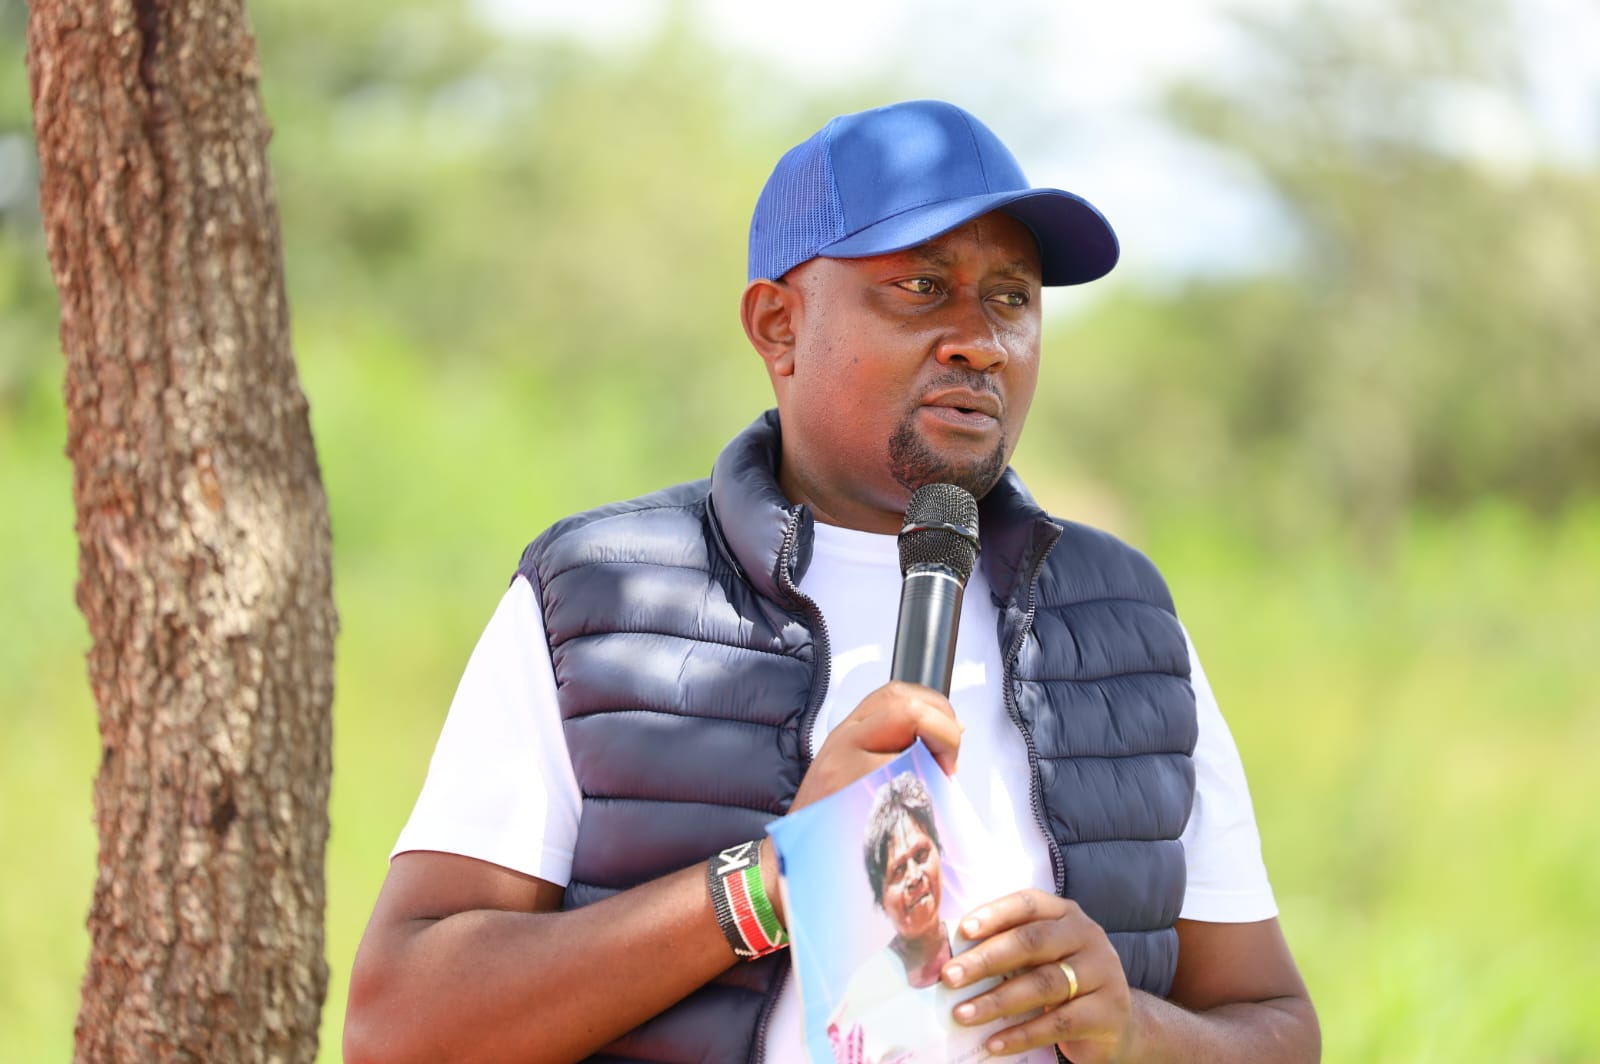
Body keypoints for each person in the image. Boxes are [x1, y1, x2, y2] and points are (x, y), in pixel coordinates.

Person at [345, 99, 1320, 1064]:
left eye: (1012, 298)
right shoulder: (599, 603)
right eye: (922, 287)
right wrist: (774, 878)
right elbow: (400, 1031)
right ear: (779, 326)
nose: (980, 340)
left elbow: (1272, 1024)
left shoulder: (1120, 622)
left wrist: (1133, 1029)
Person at [826, 773, 967, 1063]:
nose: (915, 876)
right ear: (881, 897)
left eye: (921, 854)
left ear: (939, 852)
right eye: (898, 870)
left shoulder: (979, 939)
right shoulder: (863, 996)